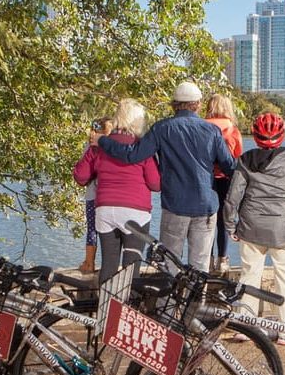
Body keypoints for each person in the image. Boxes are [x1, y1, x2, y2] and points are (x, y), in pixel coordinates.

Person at [90, 81, 235, 273]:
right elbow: (230, 166)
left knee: (170, 265)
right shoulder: (212, 131)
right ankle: (197, 303)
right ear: (198, 104)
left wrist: (103, 141)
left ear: (174, 104)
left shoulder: (161, 129)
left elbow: (132, 154)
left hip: (175, 206)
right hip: (205, 206)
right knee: (200, 268)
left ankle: (169, 303)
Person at [224, 113, 285, 345]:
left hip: (251, 228)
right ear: (282, 135)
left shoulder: (245, 160)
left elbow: (232, 199)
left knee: (250, 275)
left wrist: (230, 225)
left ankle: (245, 325)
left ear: (255, 136)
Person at [73, 99, 160, 284]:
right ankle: (127, 309)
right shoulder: (141, 147)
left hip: (105, 211)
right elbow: (155, 184)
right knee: (131, 268)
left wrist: (92, 151)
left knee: (108, 265)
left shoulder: (101, 145)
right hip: (136, 213)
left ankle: (105, 309)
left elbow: (80, 177)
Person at [205, 94, 243, 275]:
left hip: (206, 179)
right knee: (223, 220)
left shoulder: (202, 127)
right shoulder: (232, 129)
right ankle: (222, 259)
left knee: (207, 220)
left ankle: (208, 259)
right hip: (226, 179)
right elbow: (238, 156)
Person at [77, 117, 113, 274]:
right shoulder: (113, 146)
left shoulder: (90, 146)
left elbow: (82, 170)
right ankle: (108, 264)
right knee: (109, 231)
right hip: (109, 196)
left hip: (92, 195)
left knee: (92, 229)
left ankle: (89, 262)